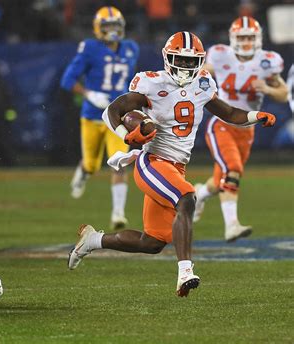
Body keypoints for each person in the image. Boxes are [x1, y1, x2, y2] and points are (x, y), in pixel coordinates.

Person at [68, 31, 277, 297]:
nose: (187, 67)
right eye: (181, 60)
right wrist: (126, 135)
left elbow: (229, 113)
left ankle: (93, 240)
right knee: (187, 198)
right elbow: (112, 110)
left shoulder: (203, 83)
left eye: (192, 61)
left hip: (176, 167)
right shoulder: (151, 82)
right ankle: (185, 272)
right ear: (168, 58)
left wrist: (255, 115)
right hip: (152, 161)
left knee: (153, 242)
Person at [193, 17, 288, 242]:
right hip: (222, 124)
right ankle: (232, 225)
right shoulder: (219, 54)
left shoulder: (268, 61)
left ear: (258, 38)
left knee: (219, 182)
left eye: (249, 37)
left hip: (248, 129)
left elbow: (284, 94)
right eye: (242, 37)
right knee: (232, 169)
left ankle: (198, 195)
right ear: (233, 38)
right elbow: (200, 75)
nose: (246, 41)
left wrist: (266, 88)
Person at [60, 6, 140, 230]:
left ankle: (118, 213)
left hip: (118, 117)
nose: (113, 31)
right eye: (108, 26)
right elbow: (67, 80)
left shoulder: (131, 48)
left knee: (119, 163)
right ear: (98, 28)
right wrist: (88, 93)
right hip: (93, 115)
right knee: (92, 165)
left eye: (116, 26)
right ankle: (84, 170)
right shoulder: (89, 48)